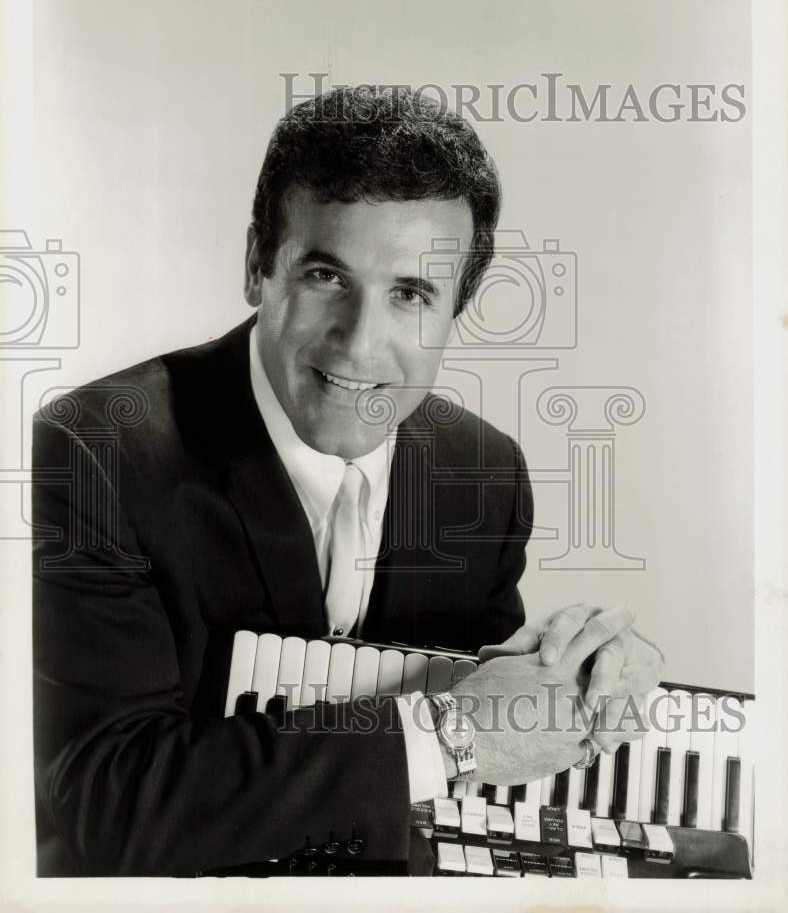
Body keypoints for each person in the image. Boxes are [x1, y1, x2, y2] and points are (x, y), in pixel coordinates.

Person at [32, 86, 663, 877]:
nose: (361, 345)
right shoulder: (94, 453)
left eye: (410, 294)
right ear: (258, 266)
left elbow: (479, 726)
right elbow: (111, 802)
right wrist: (447, 737)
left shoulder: (483, 475)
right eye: (327, 276)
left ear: (455, 311)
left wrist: (574, 669)